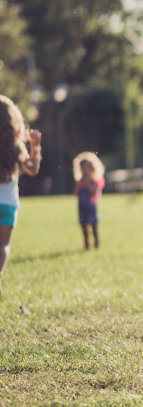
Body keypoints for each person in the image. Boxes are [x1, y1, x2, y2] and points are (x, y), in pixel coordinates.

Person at [0, 95, 42, 297]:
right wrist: (36, 145)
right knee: (3, 245)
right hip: (7, 203)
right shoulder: (15, 146)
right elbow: (33, 169)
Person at [73, 152, 105, 250]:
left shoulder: (95, 181)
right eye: (83, 168)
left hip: (91, 207)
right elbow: (76, 193)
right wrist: (79, 183)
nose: (85, 171)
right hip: (81, 206)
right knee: (83, 225)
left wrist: (87, 182)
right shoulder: (79, 181)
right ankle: (86, 243)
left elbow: (92, 192)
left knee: (93, 224)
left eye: (87, 168)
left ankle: (96, 241)